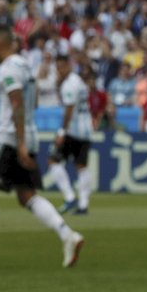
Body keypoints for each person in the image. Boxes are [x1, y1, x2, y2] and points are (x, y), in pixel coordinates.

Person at [0, 28, 84, 268]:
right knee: (26, 195)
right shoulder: (24, 66)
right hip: (27, 134)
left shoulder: (8, 68)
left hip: (9, 137)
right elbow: (29, 101)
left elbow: (17, 102)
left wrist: (20, 143)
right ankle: (68, 235)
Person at [48, 56, 93, 215]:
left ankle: (69, 197)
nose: (60, 71)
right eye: (57, 68)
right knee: (81, 166)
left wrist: (61, 132)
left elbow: (69, 110)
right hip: (86, 129)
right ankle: (83, 205)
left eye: (61, 67)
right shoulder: (78, 80)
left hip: (73, 130)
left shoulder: (69, 85)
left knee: (53, 160)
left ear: (68, 65)